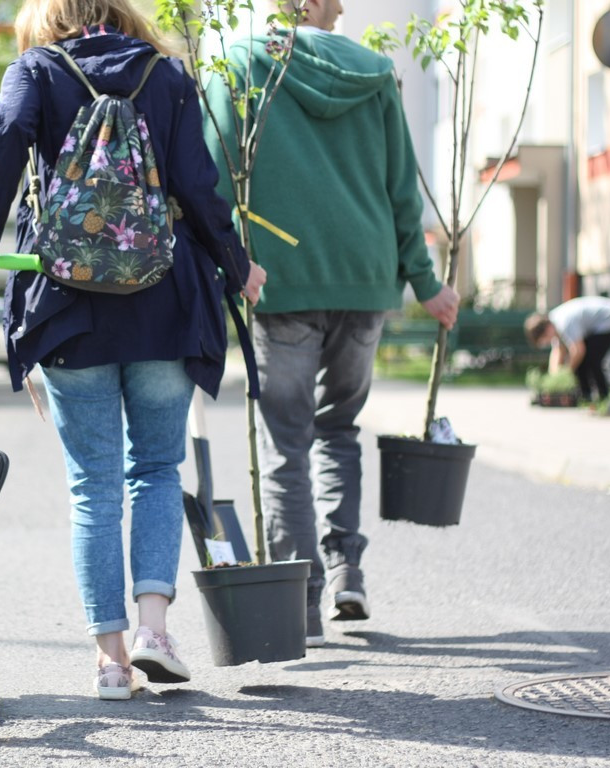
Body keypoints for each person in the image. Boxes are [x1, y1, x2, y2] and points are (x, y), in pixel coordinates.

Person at [0, 0, 266, 700]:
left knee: (93, 485)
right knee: (155, 469)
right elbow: (199, 186)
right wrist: (238, 265)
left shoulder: (36, 70)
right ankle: (156, 630)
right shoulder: (167, 74)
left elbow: (3, 135)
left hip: (67, 305)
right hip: (165, 298)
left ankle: (111, 661)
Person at [202, 0, 459, 649]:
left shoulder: (239, 64)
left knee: (286, 443)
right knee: (338, 427)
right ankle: (347, 568)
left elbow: (207, 180)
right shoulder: (375, 72)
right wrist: (426, 286)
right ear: (319, 5)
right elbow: (403, 190)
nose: (344, 8)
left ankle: (304, 598)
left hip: (280, 279)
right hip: (366, 277)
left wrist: (223, 267)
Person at [524, 295, 610, 402]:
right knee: (581, 361)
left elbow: (578, 351)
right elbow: (558, 352)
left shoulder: (564, 323)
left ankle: (603, 397)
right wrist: (554, 377)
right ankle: (586, 396)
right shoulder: (553, 322)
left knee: (591, 359)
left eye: (545, 339)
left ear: (547, 330)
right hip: (599, 322)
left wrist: (567, 372)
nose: (547, 342)